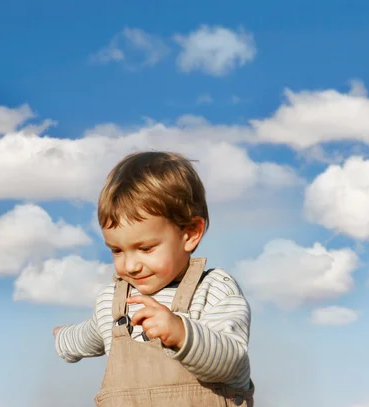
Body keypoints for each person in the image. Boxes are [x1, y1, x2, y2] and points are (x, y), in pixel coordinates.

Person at [53, 151, 254, 406]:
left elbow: (231, 361)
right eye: (117, 250)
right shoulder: (113, 304)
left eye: (146, 248)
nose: (131, 265)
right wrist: (63, 338)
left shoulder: (213, 289)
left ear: (190, 233)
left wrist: (182, 334)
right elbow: (90, 333)